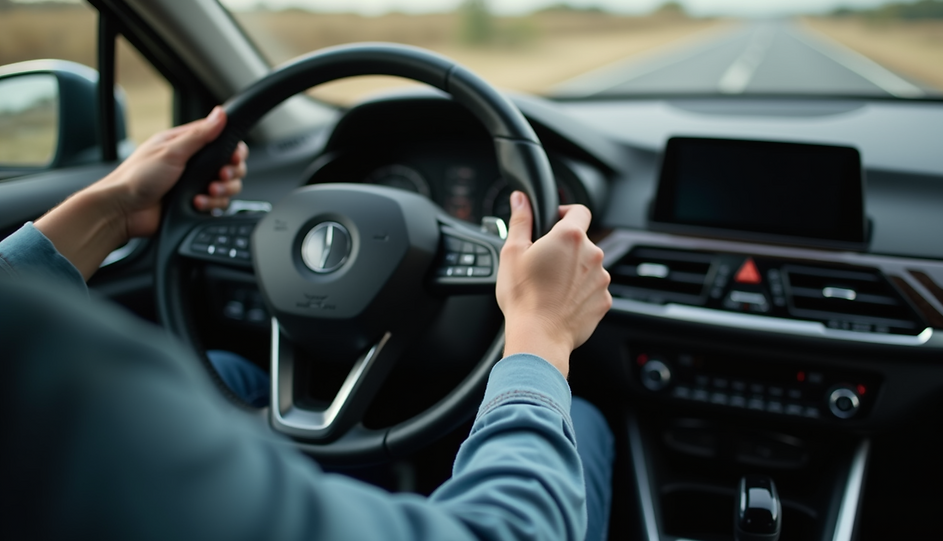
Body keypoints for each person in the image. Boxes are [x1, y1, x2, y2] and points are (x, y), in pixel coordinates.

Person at [0, 107, 614, 540]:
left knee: (234, 378)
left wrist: (111, 212)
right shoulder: (65, 435)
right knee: (580, 418)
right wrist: (540, 333)